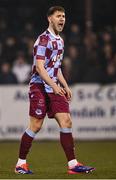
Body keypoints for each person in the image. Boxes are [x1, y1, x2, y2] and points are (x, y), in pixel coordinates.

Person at [15, 6, 95, 175]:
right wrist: (54, 86)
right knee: (36, 125)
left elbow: (56, 67)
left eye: (64, 16)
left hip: (54, 87)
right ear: (49, 19)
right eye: (58, 16)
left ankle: (73, 165)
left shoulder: (60, 40)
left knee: (66, 121)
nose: (62, 19)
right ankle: (20, 164)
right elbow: (40, 67)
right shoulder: (43, 40)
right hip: (39, 86)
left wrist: (65, 86)